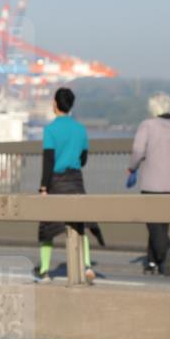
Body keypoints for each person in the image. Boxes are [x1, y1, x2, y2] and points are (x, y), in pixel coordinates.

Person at [126, 92, 170, 276]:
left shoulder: (147, 125)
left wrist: (132, 167)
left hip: (151, 185)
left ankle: (167, 253)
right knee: (160, 225)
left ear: (153, 108)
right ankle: (151, 262)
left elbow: (138, 150)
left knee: (154, 225)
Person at [35, 87, 100, 284]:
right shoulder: (80, 129)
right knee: (80, 222)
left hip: (56, 181)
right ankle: (87, 266)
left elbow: (48, 160)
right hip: (76, 179)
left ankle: (44, 271)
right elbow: (84, 158)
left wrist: (44, 187)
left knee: (47, 226)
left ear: (55, 103)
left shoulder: (50, 130)